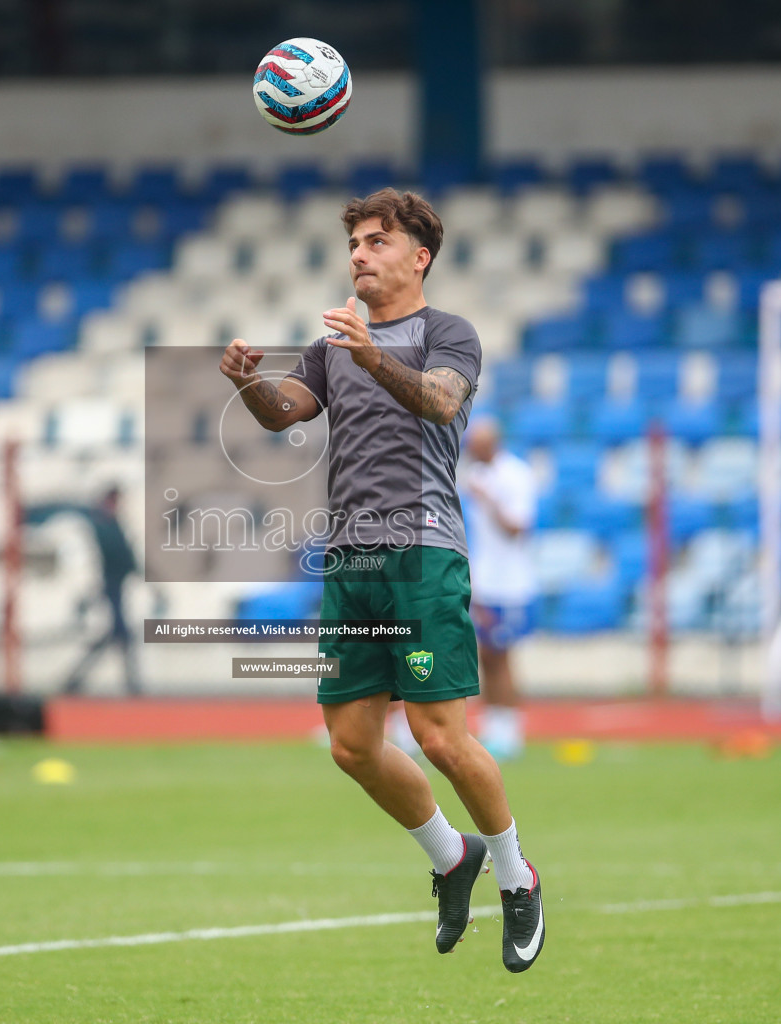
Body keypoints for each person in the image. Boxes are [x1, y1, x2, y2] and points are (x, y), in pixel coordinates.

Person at [218, 188, 544, 973]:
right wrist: (247, 383)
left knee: (439, 738)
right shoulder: (333, 344)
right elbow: (284, 413)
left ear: (418, 256)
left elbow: (438, 403)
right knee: (352, 745)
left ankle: (515, 873)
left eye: (376, 242)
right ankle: (449, 856)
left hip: (424, 555)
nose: (359, 254)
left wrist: (371, 354)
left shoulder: (447, 334)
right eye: (355, 244)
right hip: (354, 561)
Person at [461, 419, 540, 762]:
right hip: (485, 579)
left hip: (511, 583)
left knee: (503, 654)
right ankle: (493, 725)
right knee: (486, 655)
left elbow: (517, 528)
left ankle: (510, 730)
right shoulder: (477, 473)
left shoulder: (515, 475)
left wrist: (489, 500)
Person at [24, 485, 142, 695]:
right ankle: (129, 684)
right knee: (121, 635)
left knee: (114, 636)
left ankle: (79, 679)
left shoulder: (110, 523)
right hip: (112, 587)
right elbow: (119, 555)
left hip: (116, 587)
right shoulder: (104, 524)